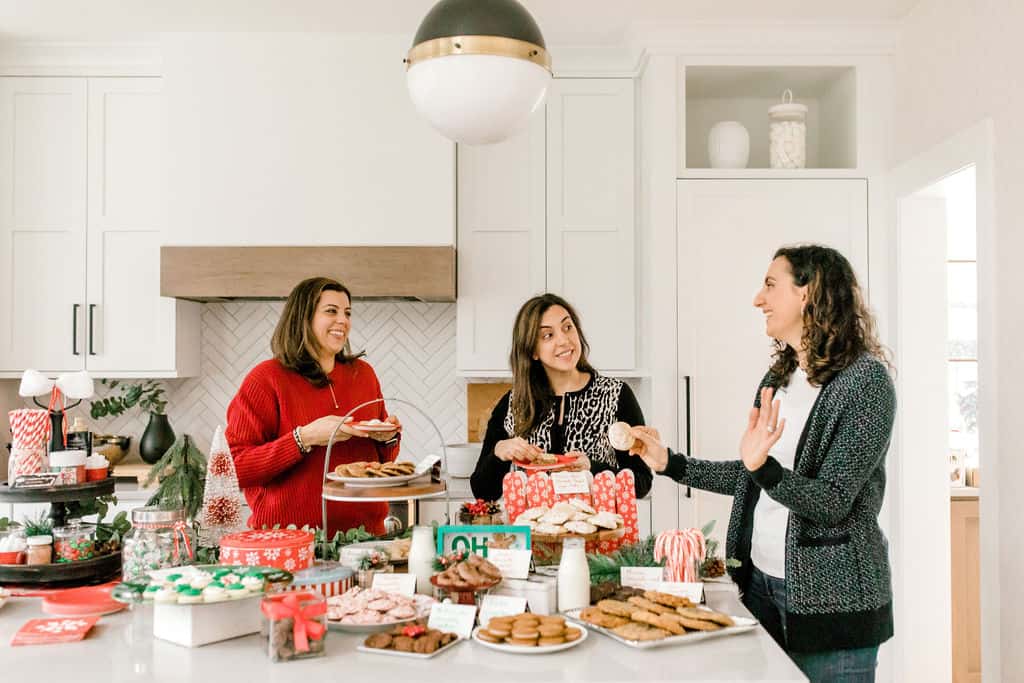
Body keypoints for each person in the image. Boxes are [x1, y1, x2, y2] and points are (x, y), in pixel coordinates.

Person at [629, 245, 894, 683]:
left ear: (808, 293)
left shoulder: (865, 383)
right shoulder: (778, 379)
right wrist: (669, 463)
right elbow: (752, 475)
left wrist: (764, 469)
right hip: (760, 586)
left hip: (834, 602)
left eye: (771, 285)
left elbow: (832, 502)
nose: (758, 299)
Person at [226, 276, 401, 535]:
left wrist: (387, 438)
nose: (343, 320)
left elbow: (381, 462)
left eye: (347, 313)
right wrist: (303, 438)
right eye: (331, 311)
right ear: (303, 318)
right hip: (288, 542)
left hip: (366, 538)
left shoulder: (363, 375)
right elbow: (233, 469)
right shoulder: (266, 379)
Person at [471, 293, 652, 501]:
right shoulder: (514, 403)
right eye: (548, 335)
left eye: (568, 327)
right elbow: (483, 492)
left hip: (597, 532)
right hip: (533, 533)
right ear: (533, 351)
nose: (564, 340)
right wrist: (499, 452)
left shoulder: (616, 395)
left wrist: (593, 468)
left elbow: (642, 482)